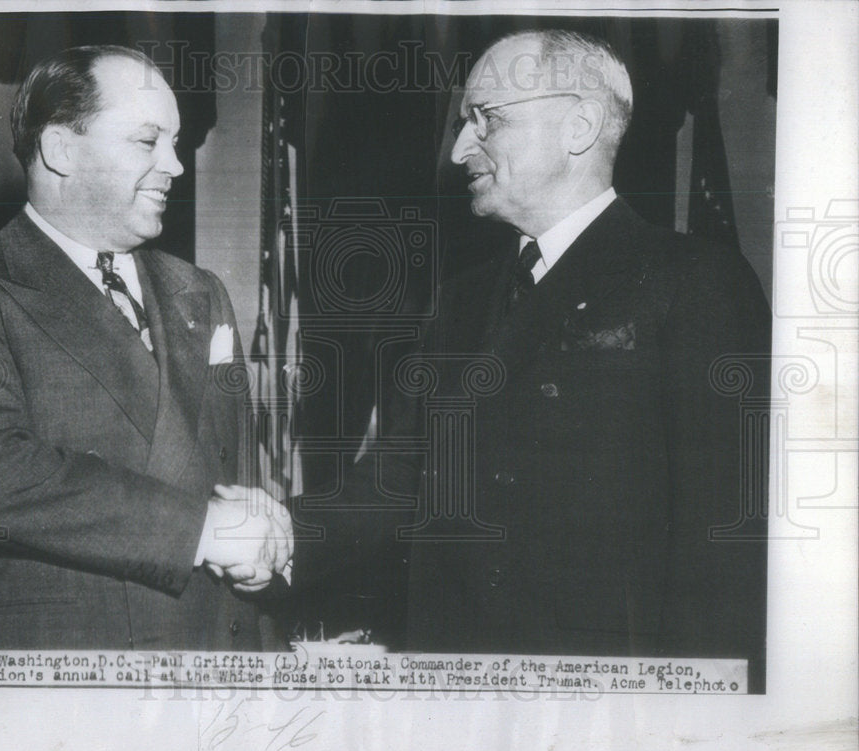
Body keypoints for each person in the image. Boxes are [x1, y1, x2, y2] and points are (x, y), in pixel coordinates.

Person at [287, 30, 770, 678]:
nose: (460, 149)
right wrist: (267, 533)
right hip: (451, 693)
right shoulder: (457, 302)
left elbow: (724, 561)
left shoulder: (696, 285)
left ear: (579, 124)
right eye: (463, 123)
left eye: (485, 119)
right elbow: (397, 481)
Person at [0, 45, 290, 649]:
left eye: (173, 143)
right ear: (60, 150)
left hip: (221, 660)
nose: (175, 166)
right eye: (147, 142)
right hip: (71, 675)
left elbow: (229, 466)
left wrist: (263, 525)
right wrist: (203, 531)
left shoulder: (198, 291)